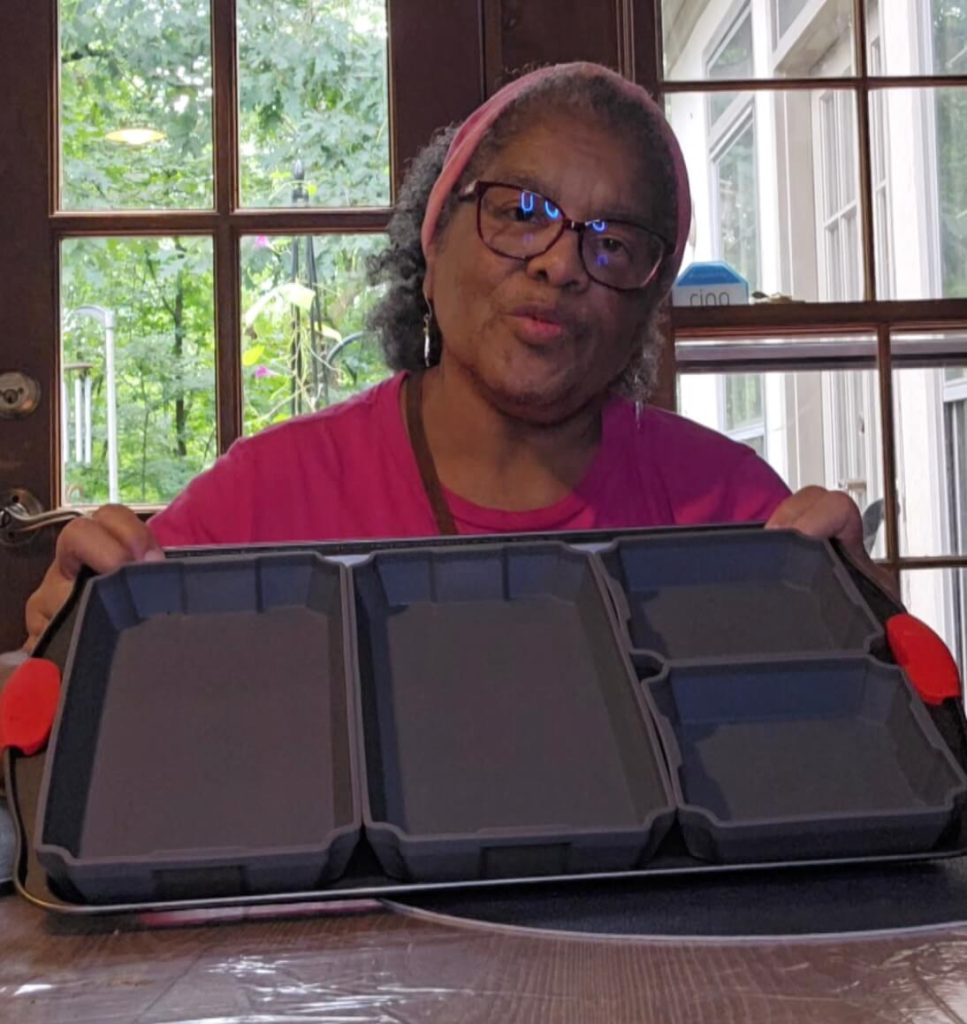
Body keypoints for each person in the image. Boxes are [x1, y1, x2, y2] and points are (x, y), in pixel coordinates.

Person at [22, 61, 886, 652]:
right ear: (430, 243)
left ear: (644, 308)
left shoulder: (735, 516)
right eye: (518, 211)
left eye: (614, 242)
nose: (556, 263)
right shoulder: (258, 506)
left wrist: (867, 633)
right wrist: (72, 646)